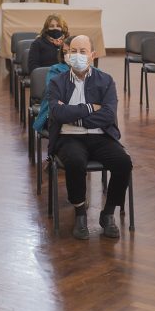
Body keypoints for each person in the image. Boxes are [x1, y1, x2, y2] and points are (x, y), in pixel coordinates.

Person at [48, 35, 132, 241]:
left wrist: (74, 116)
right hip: (69, 138)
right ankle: (80, 213)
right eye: (73, 51)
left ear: (92, 56)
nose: (77, 56)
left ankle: (108, 213)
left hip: (100, 136)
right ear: (67, 55)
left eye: (83, 51)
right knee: (75, 162)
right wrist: (88, 109)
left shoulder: (106, 80)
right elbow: (57, 114)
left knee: (123, 162)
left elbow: (108, 115)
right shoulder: (57, 81)